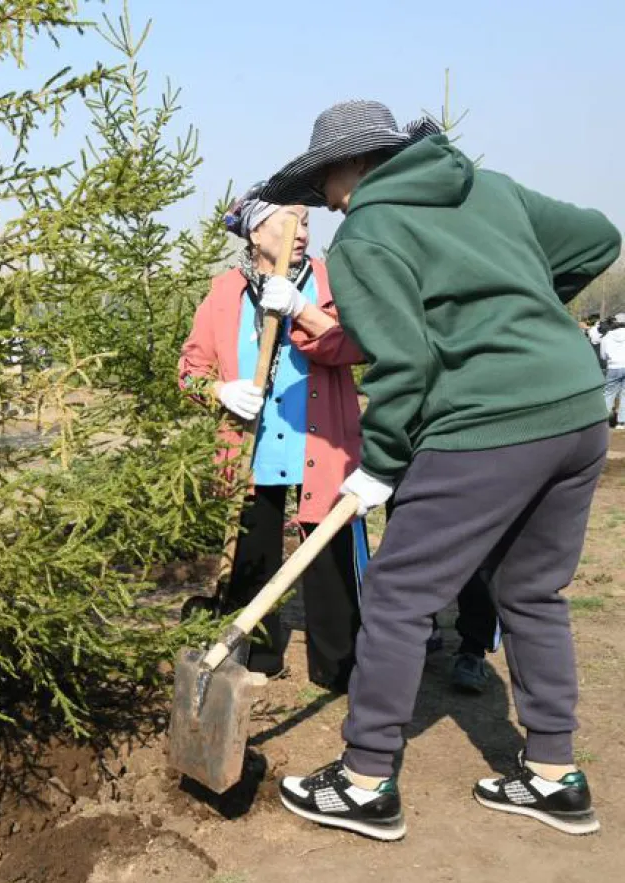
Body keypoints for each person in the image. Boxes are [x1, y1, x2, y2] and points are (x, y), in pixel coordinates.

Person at [265, 100, 620, 840]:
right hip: (579, 411)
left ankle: (364, 783)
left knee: (397, 595)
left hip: (485, 424)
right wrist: (522, 311)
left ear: (346, 168)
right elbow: (598, 237)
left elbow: (403, 365)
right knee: (532, 589)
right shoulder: (487, 188)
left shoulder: (368, 235)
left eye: (323, 182)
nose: (323, 201)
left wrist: (380, 465)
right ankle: (552, 774)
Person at [179, 185, 367, 690]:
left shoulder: (330, 281)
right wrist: (220, 391)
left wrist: (304, 311)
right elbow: (190, 369)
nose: (301, 232)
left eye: (306, 222)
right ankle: (256, 657)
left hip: (320, 444)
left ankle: (339, 665)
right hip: (251, 448)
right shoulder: (224, 292)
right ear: (256, 231)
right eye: (289, 222)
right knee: (252, 553)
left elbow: (357, 346)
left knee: (329, 556)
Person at [589, 313, 625, 426]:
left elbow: (603, 356)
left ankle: (603, 421)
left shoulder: (607, 336)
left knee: (609, 393)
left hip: (613, 366)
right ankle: (622, 422)